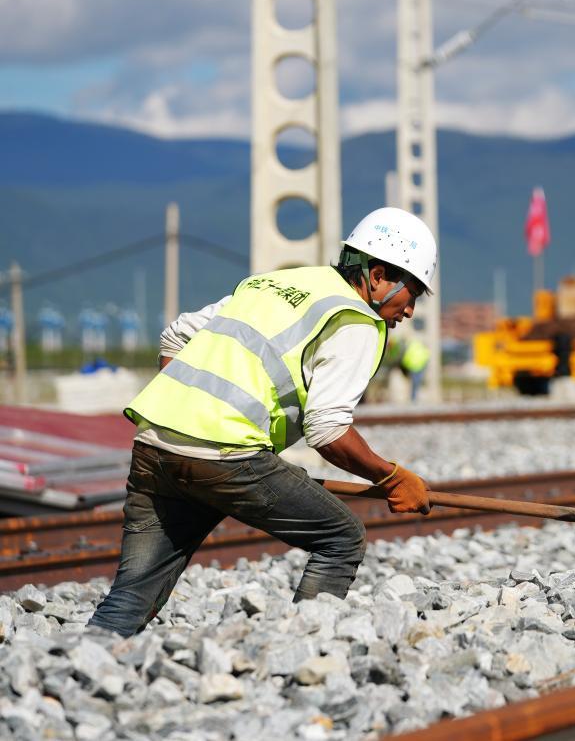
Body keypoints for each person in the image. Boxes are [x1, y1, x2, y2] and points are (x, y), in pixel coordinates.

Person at [88, 207, 436, 637]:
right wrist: (392, 476)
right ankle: (300, 656)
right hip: (227, 454)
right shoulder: (355, 319)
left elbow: (175, 336)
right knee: (341, 538)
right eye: (412, 292)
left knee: (132, 593)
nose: (410, 310)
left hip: (155, 442)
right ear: (379, 275)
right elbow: (327, 430)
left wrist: (189, 412)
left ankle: (80, 665)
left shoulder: (278, 282)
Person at [397, 333, 431, 402]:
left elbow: (406, 358)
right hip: (420, 366)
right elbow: (426, 354)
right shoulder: (418, 345)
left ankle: (413, 399)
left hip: (414, 367)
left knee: (415, 383)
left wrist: (406, 366)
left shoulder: (409, 346)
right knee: (416, 383)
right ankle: (414, 398)